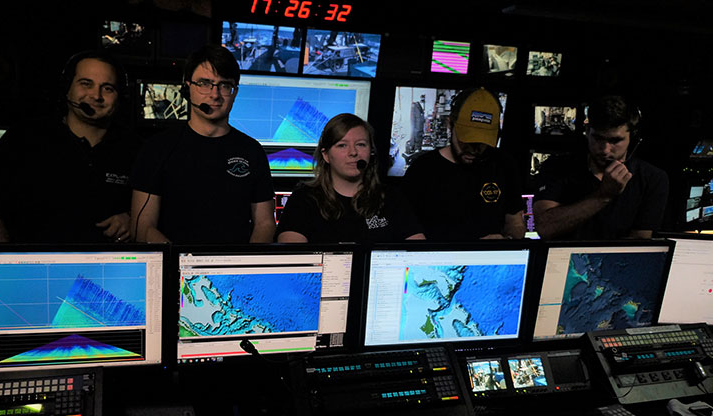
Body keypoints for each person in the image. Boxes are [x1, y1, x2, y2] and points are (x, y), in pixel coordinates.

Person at [0, 50, 139, 243]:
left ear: (120, 97)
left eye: (107, 88)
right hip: (34, 269)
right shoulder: (24, 139)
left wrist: (133, 220)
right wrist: (13, 266)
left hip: (109, 269)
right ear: (67, 89)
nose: (96, 95)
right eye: (86, 84)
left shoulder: (135, 149)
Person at [130, 44, 275, 243]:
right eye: (204, 84)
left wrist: (243, 265)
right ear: (187, 88)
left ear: (235, 93)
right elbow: (142, 226)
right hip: (175, 267)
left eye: (224, 85)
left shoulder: (252, 151)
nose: (214, 95)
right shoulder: (158, 149)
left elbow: (265, 224)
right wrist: (181, 264)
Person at [533, 95, 669, 239]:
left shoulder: (652, 178)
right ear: (587, 130)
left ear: (633, 137)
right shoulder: (556, 167)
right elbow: (545, 228)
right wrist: (604, 195)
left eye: (615, 140)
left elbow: (639, 243)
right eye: (598, 138)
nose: (604, 150)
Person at [276, 113, 424, 243]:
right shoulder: (304, 199)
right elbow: (293, 258)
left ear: (370, 152)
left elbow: (417, 253)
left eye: (361, 144)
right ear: (326, 155)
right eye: (342, 145)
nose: (353, 152)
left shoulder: (391, 198)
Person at [402, 87, 526, 241]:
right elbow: (406, 231)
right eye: (466, 140)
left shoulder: (504, 164)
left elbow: (516, 223)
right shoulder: (422, 170)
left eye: (481, 143)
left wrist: (506, 239)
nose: (473, 149)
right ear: (450, 125)